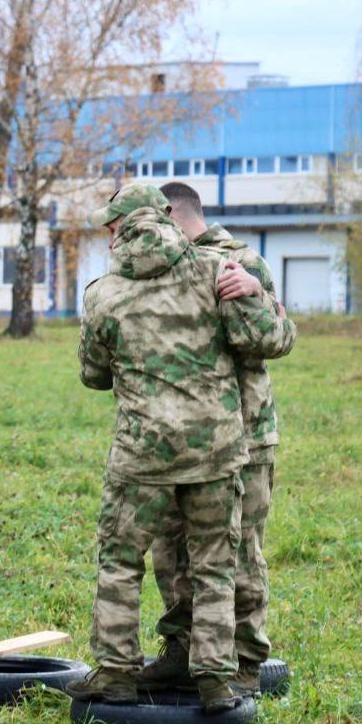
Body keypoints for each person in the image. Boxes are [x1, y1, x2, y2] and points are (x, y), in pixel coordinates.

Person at [68, 182, 297, 714]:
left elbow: (93, 376)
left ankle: (117, 672)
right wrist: (257, 301)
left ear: (121, 229)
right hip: (215, 450)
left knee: (121, 561)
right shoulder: (217, 273)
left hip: (141, 453)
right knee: (217, 564)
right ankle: (217, 679)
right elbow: (266, 340)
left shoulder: (103, 291)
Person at [138, 181, 293, 697]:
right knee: (172, 549)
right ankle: (184, 651)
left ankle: (244, 661)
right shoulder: (163, 264)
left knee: (238, 551)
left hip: (243, 435)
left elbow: (276, 339)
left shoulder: (240, 261)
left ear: (172, 216)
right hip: (179, 438)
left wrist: (253, 295)